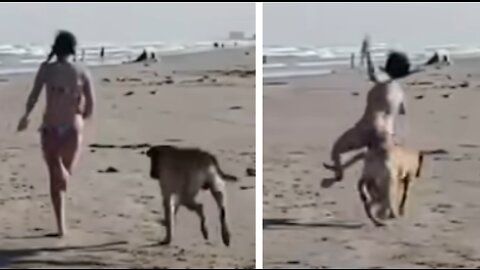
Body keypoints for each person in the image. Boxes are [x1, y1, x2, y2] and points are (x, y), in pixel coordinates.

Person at [17, 30, 95, 237]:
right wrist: (80, 112)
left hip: (50, 127)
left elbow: (33, 95)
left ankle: (61, 226)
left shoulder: (46, 69)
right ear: (73, 48)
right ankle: (61, 227)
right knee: (64, 176)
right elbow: (90, 107)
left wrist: (25, 116)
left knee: (55, 178)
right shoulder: (82, 70)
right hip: (72, 128)